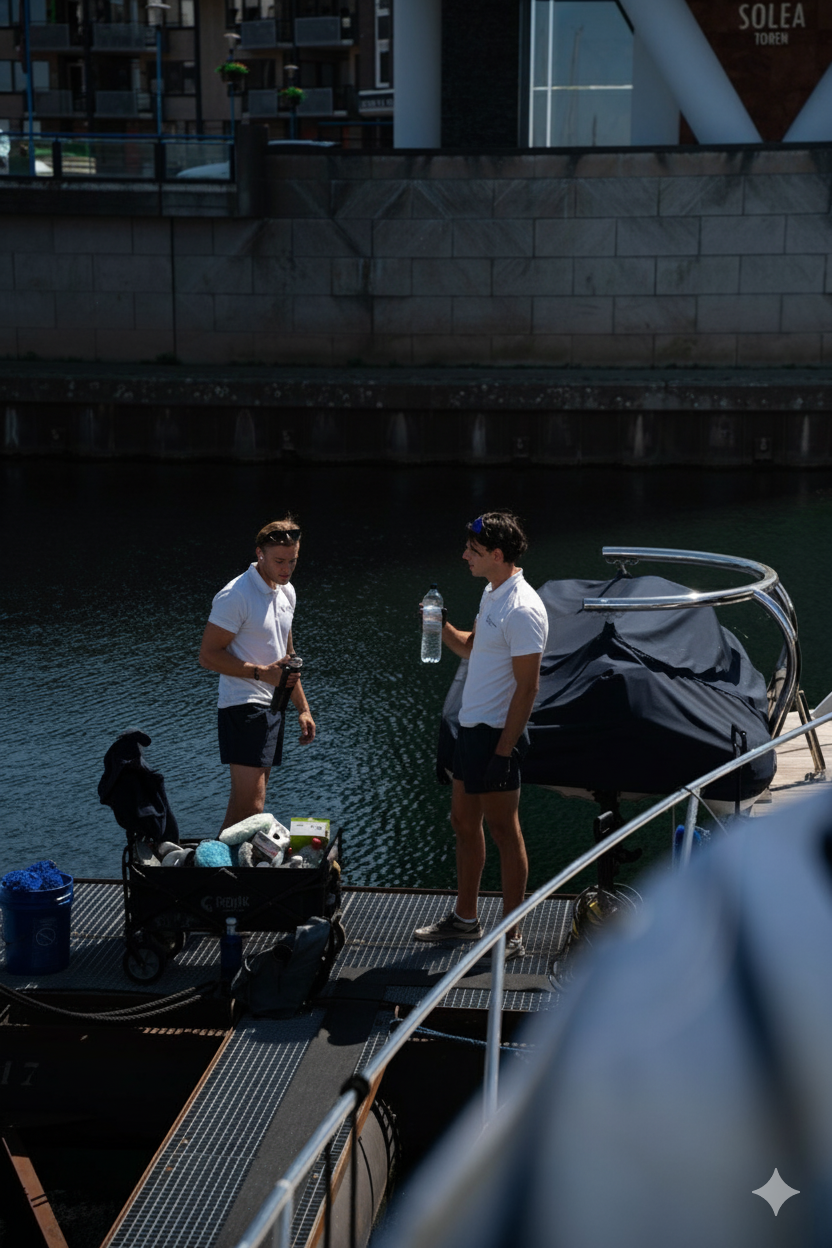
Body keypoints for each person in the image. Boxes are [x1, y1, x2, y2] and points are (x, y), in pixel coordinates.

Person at [414, 510, 548, 960]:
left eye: (472, 551)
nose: (464, 557)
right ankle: (466, 919)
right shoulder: (494, 593)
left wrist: (504, 751)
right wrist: (441, 627)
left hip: (496, 736)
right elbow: (474, 648)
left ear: (496, 554)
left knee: (504, 831)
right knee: (463, 823)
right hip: (469, 729)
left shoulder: (523, 608)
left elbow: (528, 687)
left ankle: (511, 936)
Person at [198, 518, 315, 831]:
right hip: (243, 705)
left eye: (293, 561)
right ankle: (241, 876)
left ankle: (215, 871)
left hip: (273, 704)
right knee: (253, 808)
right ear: (259, 553)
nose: (286, 569)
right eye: (279, 561)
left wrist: (302, 708)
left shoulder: (286, 592)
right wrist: (261, 673)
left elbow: (288, 657)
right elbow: (208, 656)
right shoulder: (235, 595)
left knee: (240, 807)